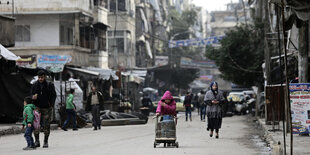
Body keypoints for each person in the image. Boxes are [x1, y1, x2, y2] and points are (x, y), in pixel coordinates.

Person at [31, 70, 56, 148]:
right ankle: (37, 141)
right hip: (37, 107)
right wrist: (33, 97)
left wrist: (51, 105)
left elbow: (54, 95)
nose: (40, 79)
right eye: (39, 77)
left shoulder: (49, 85)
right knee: (36, 125)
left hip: (46, 108)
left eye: (42, 77)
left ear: (44, 77)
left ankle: (45, 141)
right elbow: (31, 94)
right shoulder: (35, 85)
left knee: (46, 125)